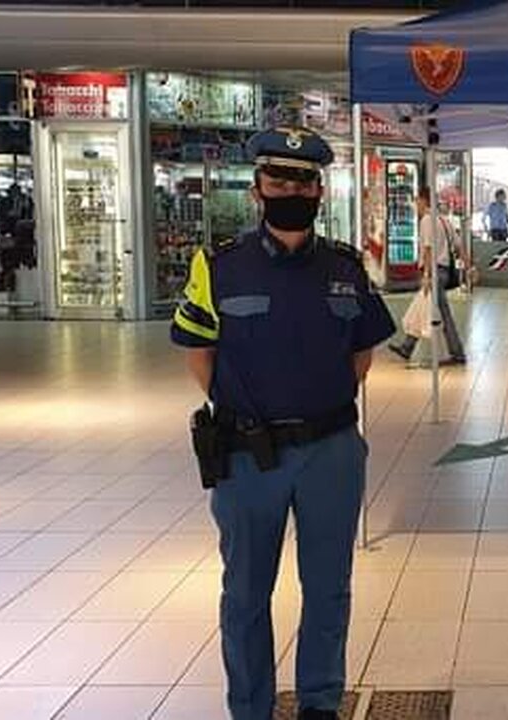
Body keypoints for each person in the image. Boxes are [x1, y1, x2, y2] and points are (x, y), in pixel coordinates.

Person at [170, 127, 396, 720]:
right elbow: (198, 354)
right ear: (257, 190)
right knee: (246, 593)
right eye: (278, 180)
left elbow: (362, 353)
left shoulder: (346, 266)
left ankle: (320, 703)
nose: (291, 191)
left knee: (328, 589)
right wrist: (248, 409)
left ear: (320, 191)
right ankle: (251, 707)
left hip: (331, 451)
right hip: (247, 456)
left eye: (303, 181)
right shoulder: (218, 266)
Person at [389, 186, 468, 365]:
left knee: (444, 314)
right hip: (443, 271)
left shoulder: (426, 220)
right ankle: (407, 347)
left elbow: (428, 248)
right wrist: (470, 267)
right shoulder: (444, 220)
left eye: (416, 200)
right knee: (422, 306)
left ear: (423, 200)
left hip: (434, 272)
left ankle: (457, 353)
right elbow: (459, 246)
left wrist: (426, 274)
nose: (415, 204)